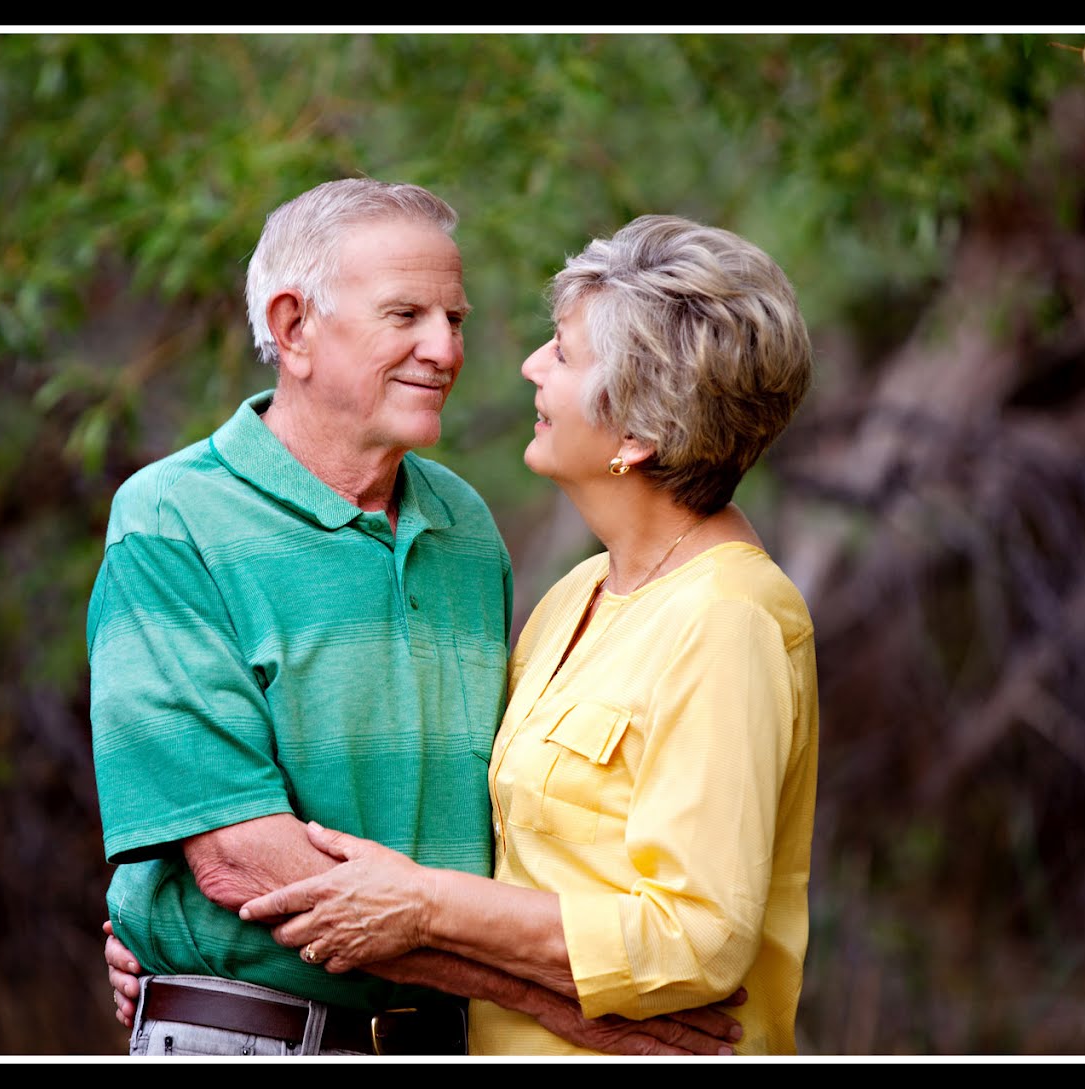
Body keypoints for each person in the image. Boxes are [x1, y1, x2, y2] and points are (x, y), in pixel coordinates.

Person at [90, 181, 746, 1057]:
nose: (444, 348)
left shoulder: (466, 529)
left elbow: (504, 825)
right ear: (293, 329)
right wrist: (556, 999)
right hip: (256, 1037)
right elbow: (239, 857)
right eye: (405, 314)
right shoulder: (172, 519)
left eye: (456, 318)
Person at [231, 214, 820, 1055]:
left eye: (565, 355)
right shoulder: (579, 593)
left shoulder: (729, 620)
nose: (528, 365)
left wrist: (426, 907)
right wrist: (189, 933)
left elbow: (696, 936)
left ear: (640, 433)